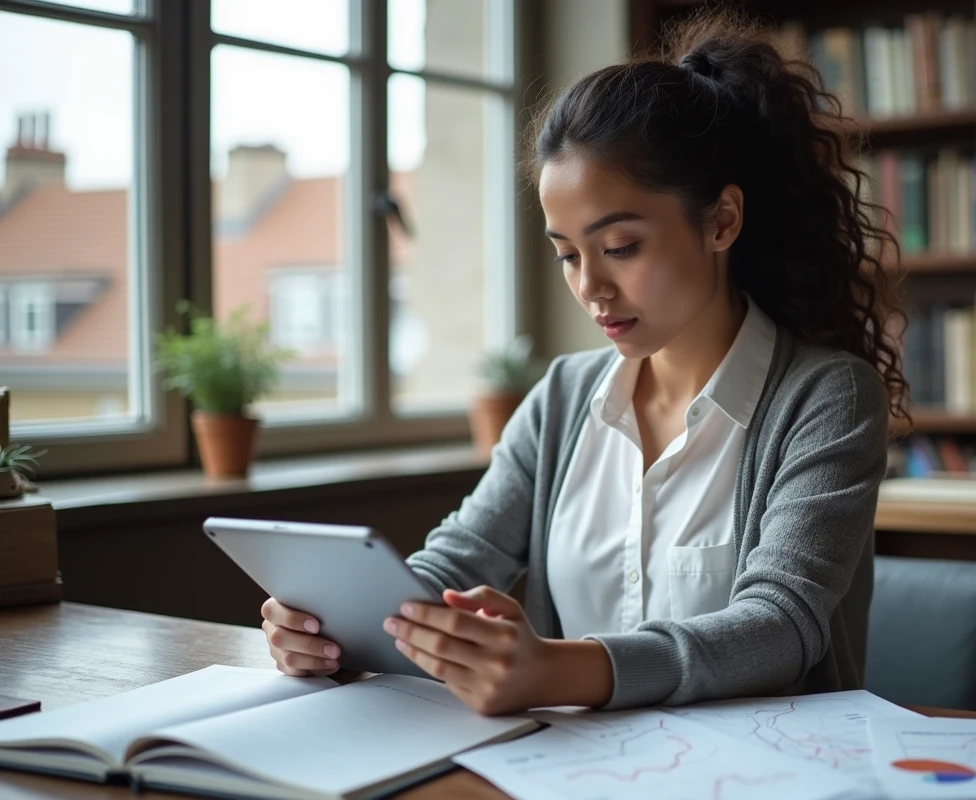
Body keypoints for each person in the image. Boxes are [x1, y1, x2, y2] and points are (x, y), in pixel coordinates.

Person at [260, 10, 907, 716]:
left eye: (620, 247)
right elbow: (459, 558)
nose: (590, 287)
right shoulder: (564, 396)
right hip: (568, 764)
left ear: (721, 220)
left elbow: (780, 627)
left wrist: (559, 670)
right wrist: (338, 624)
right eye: (567, 255)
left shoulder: (828, 397)